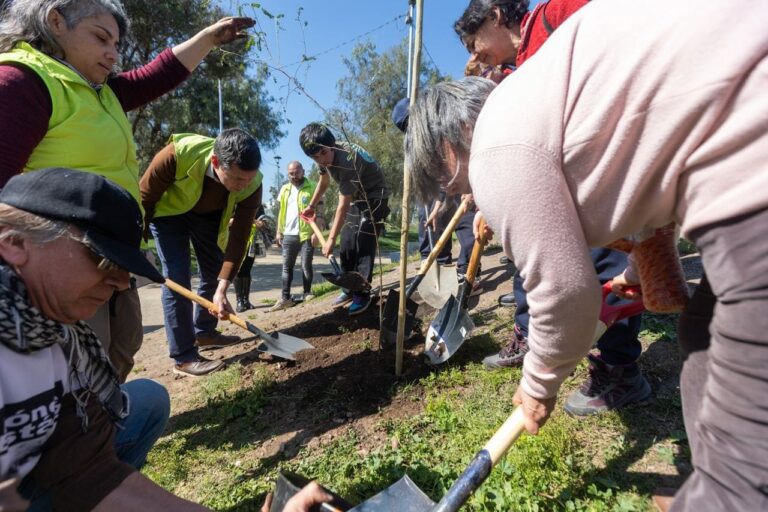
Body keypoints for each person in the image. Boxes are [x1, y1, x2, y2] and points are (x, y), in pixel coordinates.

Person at [408, 0, 768, 508]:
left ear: (447, 147)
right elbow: (645, 157)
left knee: (741, 460)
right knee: (703, 329)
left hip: (752, 140)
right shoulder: (544, 97)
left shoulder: (494, 148)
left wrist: (538, 385)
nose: (459, 192)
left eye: (446, 182)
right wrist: (643, 268)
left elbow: (564, 294)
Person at [0, 0, 254, 381]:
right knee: (85, 355)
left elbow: (154, 76)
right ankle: (85, 431)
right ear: (56, 22)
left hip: (115, 248)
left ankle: (108, 421)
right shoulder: (23, 83)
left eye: (117, 44)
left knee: (125, 342)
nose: (112, 53)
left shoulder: (99, 91)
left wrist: (207, 40)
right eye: (101, 38)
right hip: (65, 258)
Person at [453, 0, 647, 420]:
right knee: (536, 263)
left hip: (603, 165)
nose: (473, 54)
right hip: (560, 178)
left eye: (473, 41)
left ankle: (620, 370)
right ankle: (545, 337)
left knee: (605, 267)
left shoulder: (557, 14)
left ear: (496, 17)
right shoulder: (515, 67)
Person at [0, 168, 205, 511]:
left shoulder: (51, 331)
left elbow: (87, 470)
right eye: (103, 258)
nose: (123, 283)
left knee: (147, 400)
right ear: (16, 243)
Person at [140, 128, 263, 377]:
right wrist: (138, 242)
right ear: (216, 162)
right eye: (238, 179)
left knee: (215, 272)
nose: (244, 186)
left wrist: (223, 286)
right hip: (169, 215)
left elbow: (239, 237)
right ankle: (184, 356)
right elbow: (144, 197)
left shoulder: (253, 183)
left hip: (209, 217)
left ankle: (205, 333)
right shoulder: (178, 154)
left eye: (248, 179)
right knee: (177, 277)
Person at [299, 123, 389, 316]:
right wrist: (311, 206)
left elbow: (343, 204)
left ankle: (363, 292)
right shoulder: (321, 154)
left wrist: (330, 239)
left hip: (375, 196)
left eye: (323, 153)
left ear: (331, 145)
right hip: (359, 197)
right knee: (347, 240)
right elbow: (324, 182)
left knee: (364, 239)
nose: (321, 160)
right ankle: (349, 287)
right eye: (315, 158)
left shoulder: (348, 159)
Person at [270, 160, 317, 312]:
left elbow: (320, 209)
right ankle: (285, 298)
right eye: (291, 173)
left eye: (297, 172)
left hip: (306, 234)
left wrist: (317, 230)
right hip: (288, 234)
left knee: (306, 265)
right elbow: (281, 213)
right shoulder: (284, 189)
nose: (294, 176)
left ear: (303, 171)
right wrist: (279, 231)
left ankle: (307, 292)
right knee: (286, 267)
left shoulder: (312, 187)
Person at [234, 205, 275, 313]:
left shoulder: (256, 203)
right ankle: (239, 301)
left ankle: (246, 300)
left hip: (253, 241)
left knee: (247, 269)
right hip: (236, 240)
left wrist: (260, 223)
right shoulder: (234, 201)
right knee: (238, 270)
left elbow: (263, 220)